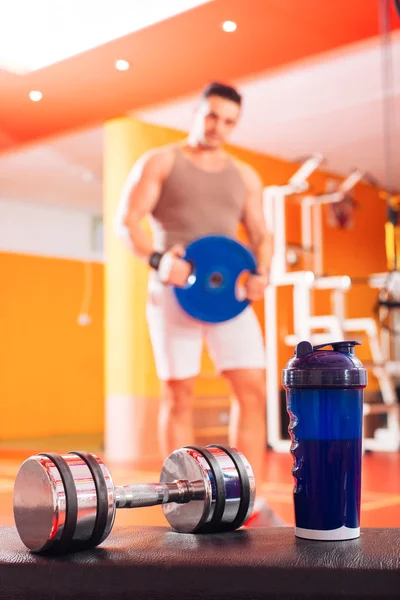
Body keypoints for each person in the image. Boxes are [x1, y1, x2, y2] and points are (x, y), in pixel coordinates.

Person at [115, 81, 280, 525]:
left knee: (251, 392)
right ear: (197, 112)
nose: (218, 127)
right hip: (175, 291)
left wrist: (262, 274)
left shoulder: (244, 174)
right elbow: (127, 221)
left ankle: (247, 496)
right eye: (212, 116)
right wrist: (155, 258)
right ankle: (183, 496)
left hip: (230, 298)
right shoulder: (161, 161)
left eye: (228, 121)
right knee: (178, 394)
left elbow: (262, 234)